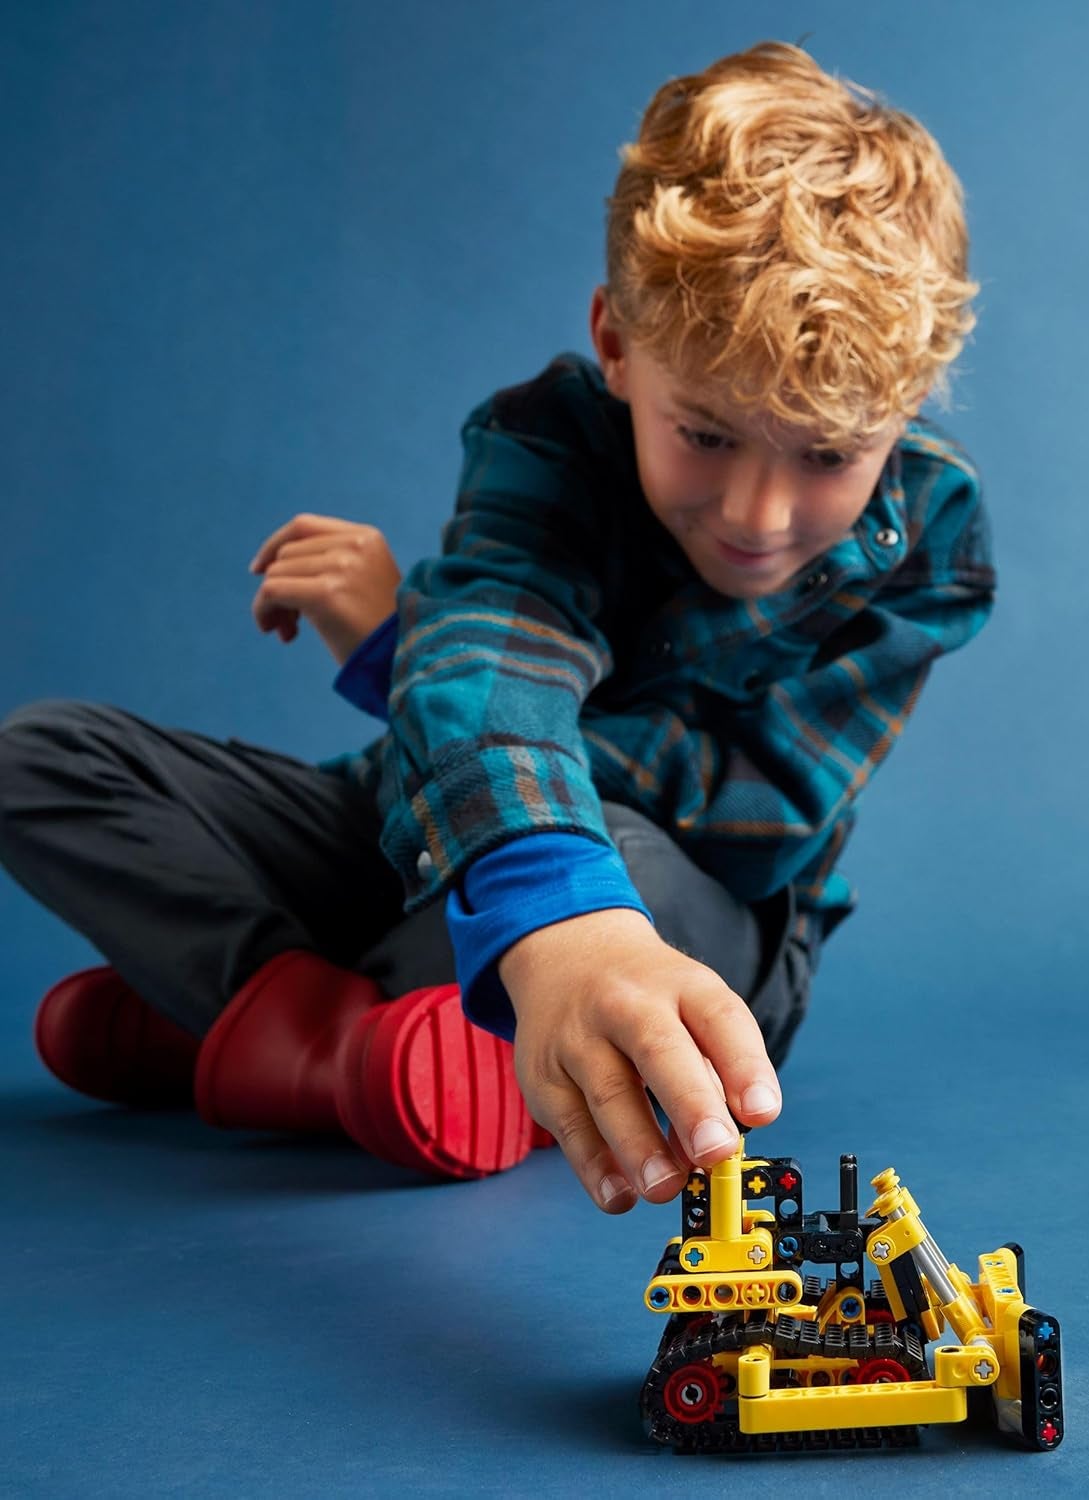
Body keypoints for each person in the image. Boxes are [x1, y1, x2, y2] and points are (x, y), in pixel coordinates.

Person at [0, 40, 994, 1212]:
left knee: (611, 870)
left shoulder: (932, 537)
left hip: (689, 916)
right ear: (619, 348)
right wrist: (447, 688)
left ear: (908, 406)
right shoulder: (548, 442)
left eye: (829, 457)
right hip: (432, 836)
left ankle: (230, 1023)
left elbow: (759, 815)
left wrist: (396, 657)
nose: (756, 514)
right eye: (709, 435)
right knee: (39, 758)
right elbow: (495, 647)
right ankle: (307, 1031)